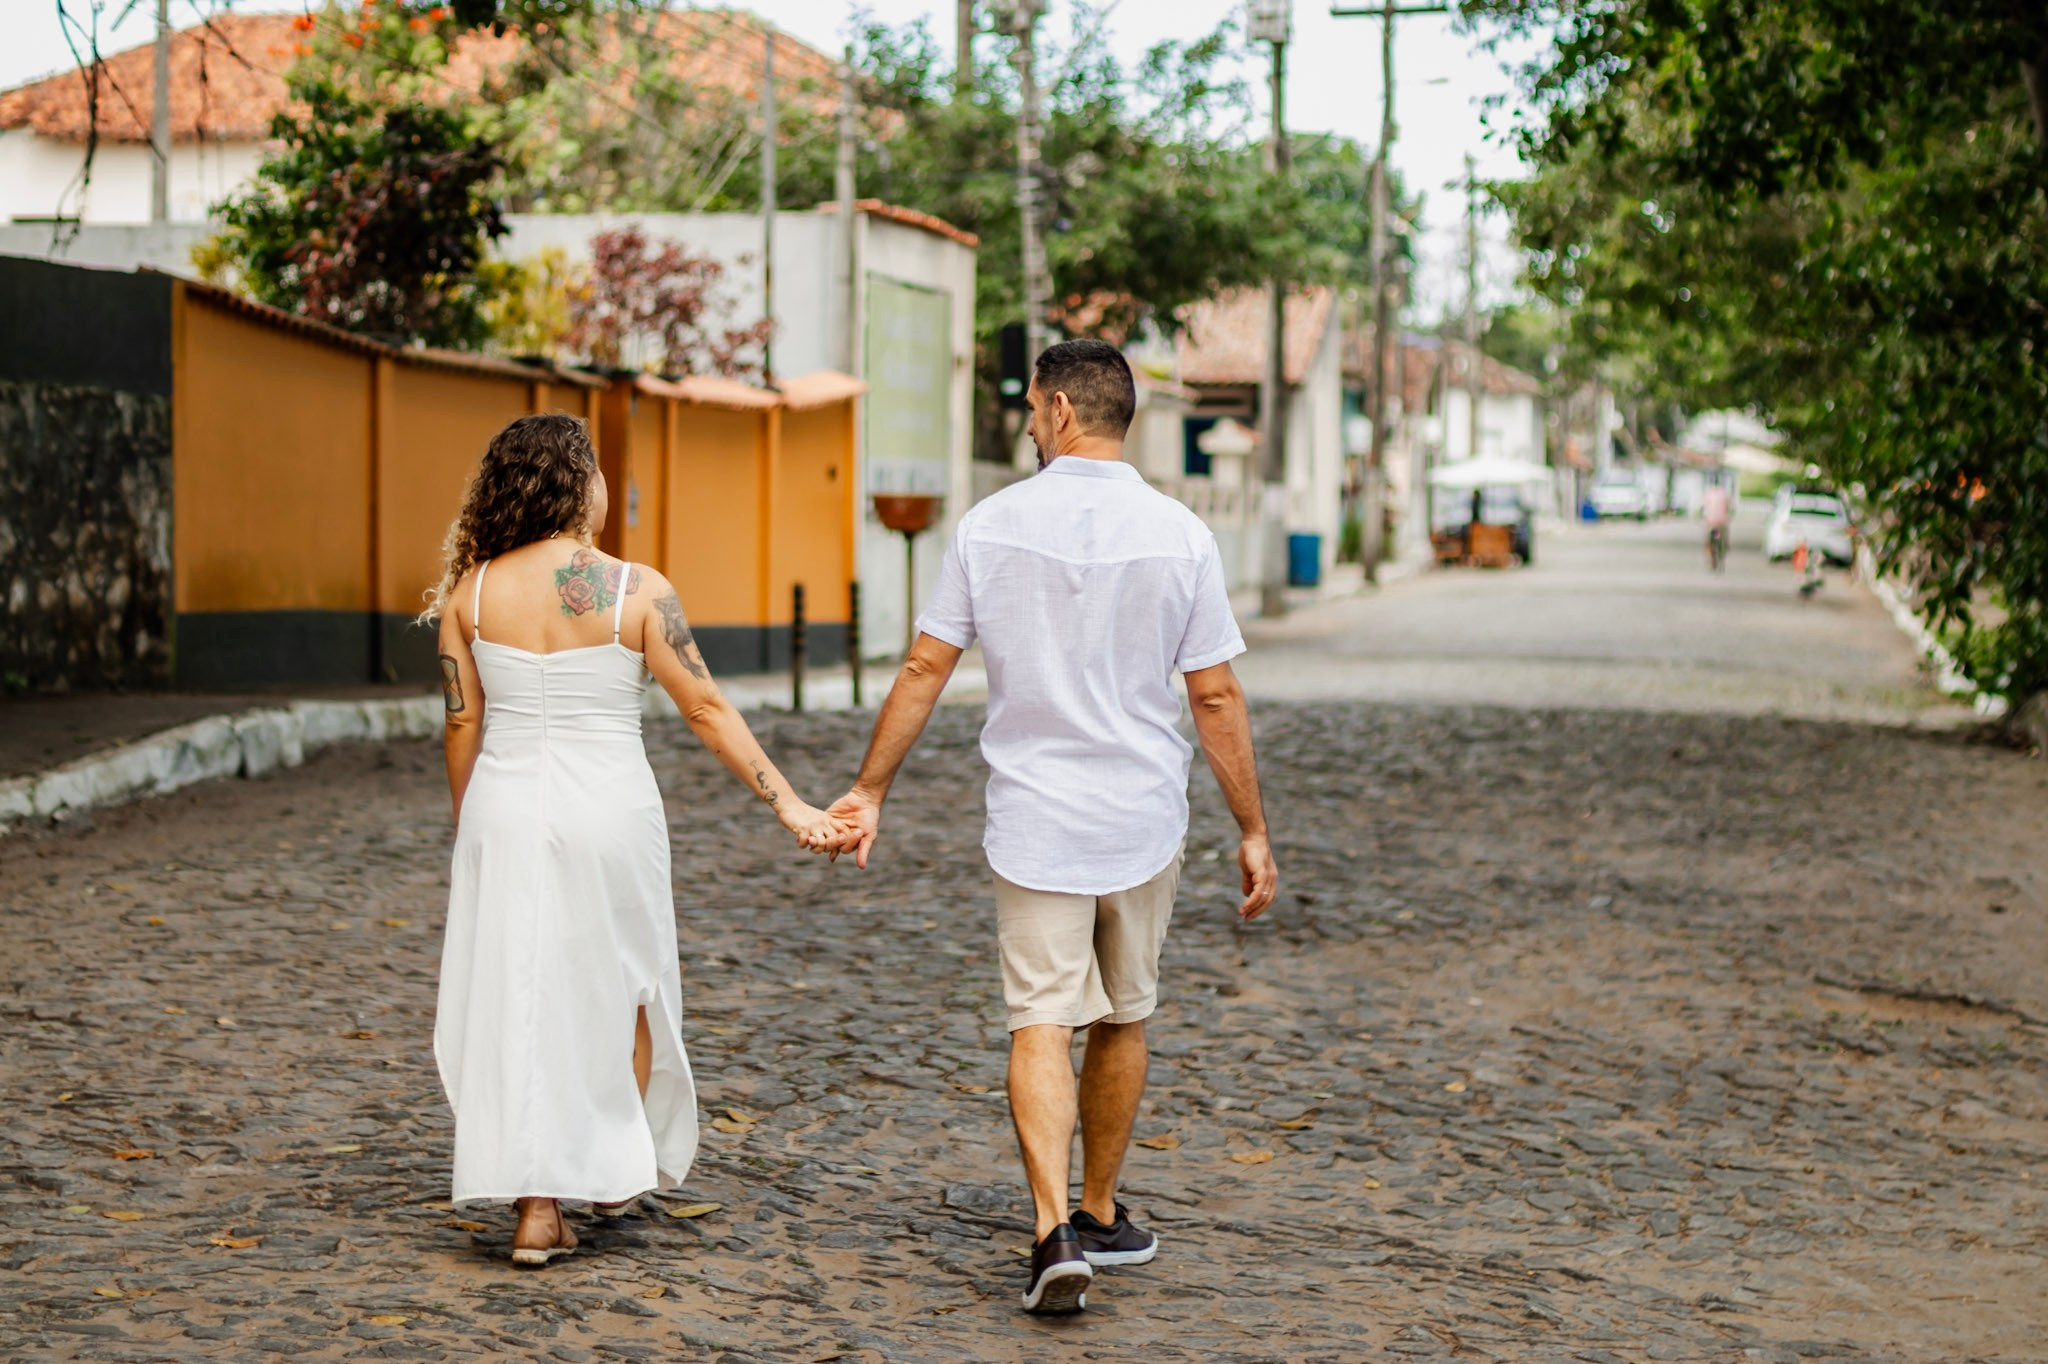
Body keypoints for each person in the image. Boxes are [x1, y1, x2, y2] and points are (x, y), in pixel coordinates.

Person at [824, 340, 1280, 1315]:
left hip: (1034, 820)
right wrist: (1251, 827)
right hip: (1140, 819)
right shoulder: (1180, 534)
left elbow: (924, 667)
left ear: (1063, 409)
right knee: (1123, 1012)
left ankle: (1050, 1231)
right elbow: (1213, 693)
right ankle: (1100, 1211)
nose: (1028, 424)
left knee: (1039, 1018)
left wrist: (869, 788)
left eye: (1033, 409)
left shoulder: (990, 527)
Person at [424, 413, 843, 1267]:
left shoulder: (470, 595)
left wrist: (471, 824)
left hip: (505, 807)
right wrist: (791, 805)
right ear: (582, 486)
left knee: (520, 990)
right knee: (629, 982)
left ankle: (537, 1208)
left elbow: (462, 725)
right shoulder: (637, 591)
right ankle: (614, 1168)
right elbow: (706, 709)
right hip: (610, 810)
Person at [1703, 480, 1732, 571]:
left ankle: (1711, 557)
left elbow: (1704, 508)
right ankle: (1724, 547)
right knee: (1724, 537)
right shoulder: (1725, 494)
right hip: (1721, 522)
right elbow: (1729, 508)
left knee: (1709, 541)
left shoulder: (1708, 494)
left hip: (1711, 522)